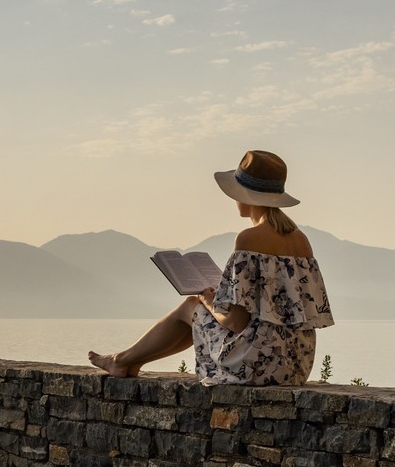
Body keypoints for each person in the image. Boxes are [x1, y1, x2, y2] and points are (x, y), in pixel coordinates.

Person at [89, 150, 333, 386]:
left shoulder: (249, 239)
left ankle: (120, 360)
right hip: (295, 366)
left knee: (191, 305)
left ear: (244, 195)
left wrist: (209, 301)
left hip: (256, 365)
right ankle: (129, 361)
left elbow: (236, 323)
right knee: (199, 309)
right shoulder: (301, 241)